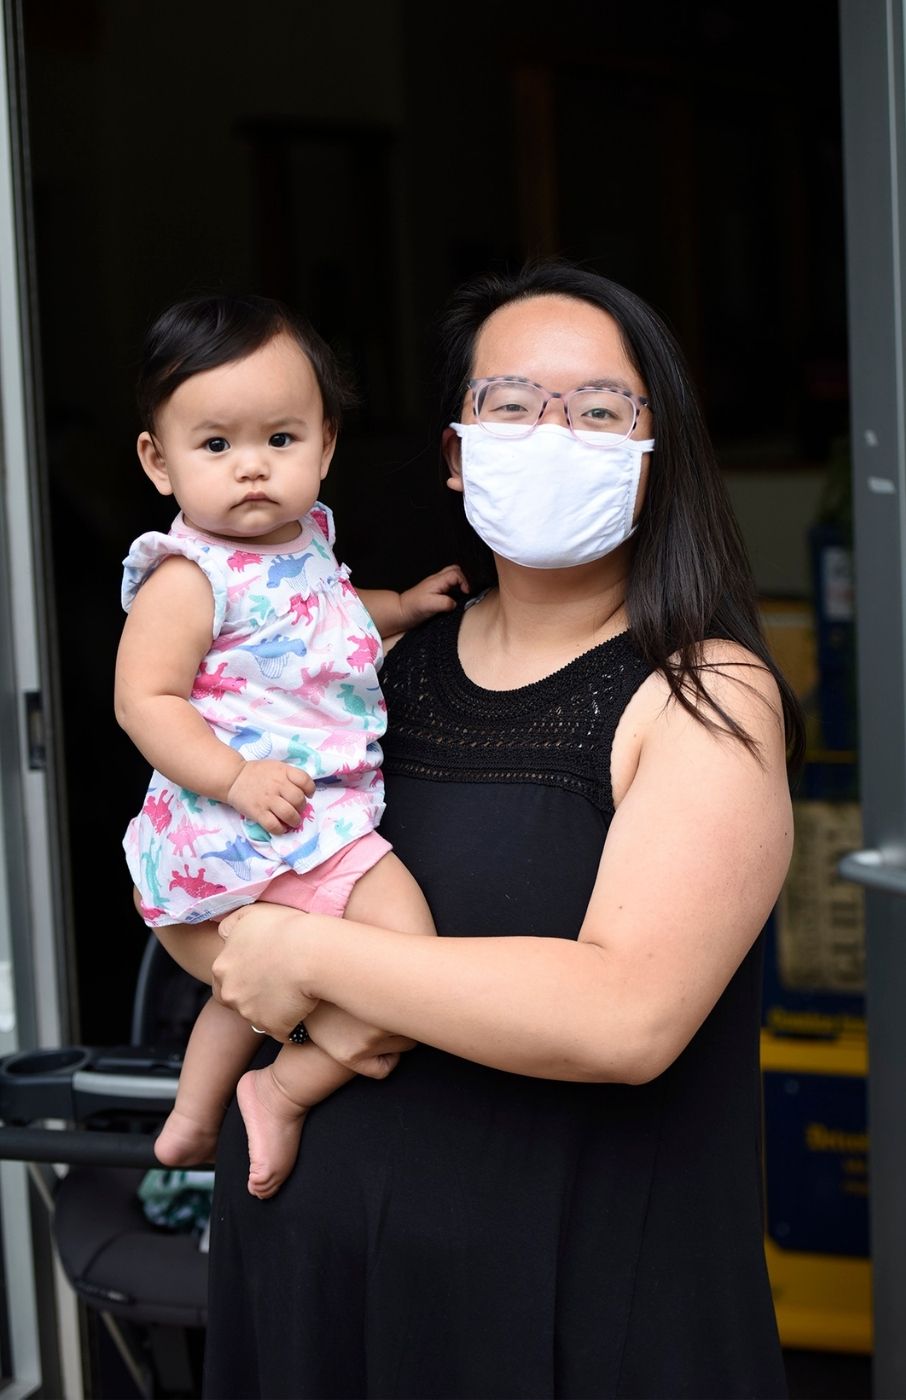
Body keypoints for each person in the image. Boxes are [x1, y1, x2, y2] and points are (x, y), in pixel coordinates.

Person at [182, 258, 801, 1399]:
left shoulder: (706, 697)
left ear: (653, 455)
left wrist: (311, 956)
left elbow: (629, 1015)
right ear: (459, 452)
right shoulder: (370, 678)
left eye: (600, 410)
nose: (551, 434)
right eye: (511, 404)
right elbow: (227, 873)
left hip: (567, 1327)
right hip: (317, 1298)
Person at [115, 292, 466, 1198]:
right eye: (216, 445)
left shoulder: (308, 540)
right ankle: (283, 1089)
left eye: (280, 439)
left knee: (250, 992)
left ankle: (195, 1119)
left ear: (326, 444)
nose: (252, 470)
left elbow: (328, 615)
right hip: (247, 826)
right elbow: (143, 701)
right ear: (159, 461)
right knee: (408, 958)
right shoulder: (187, 578)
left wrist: (402, 606)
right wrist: (232, 778)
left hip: (310, 818)